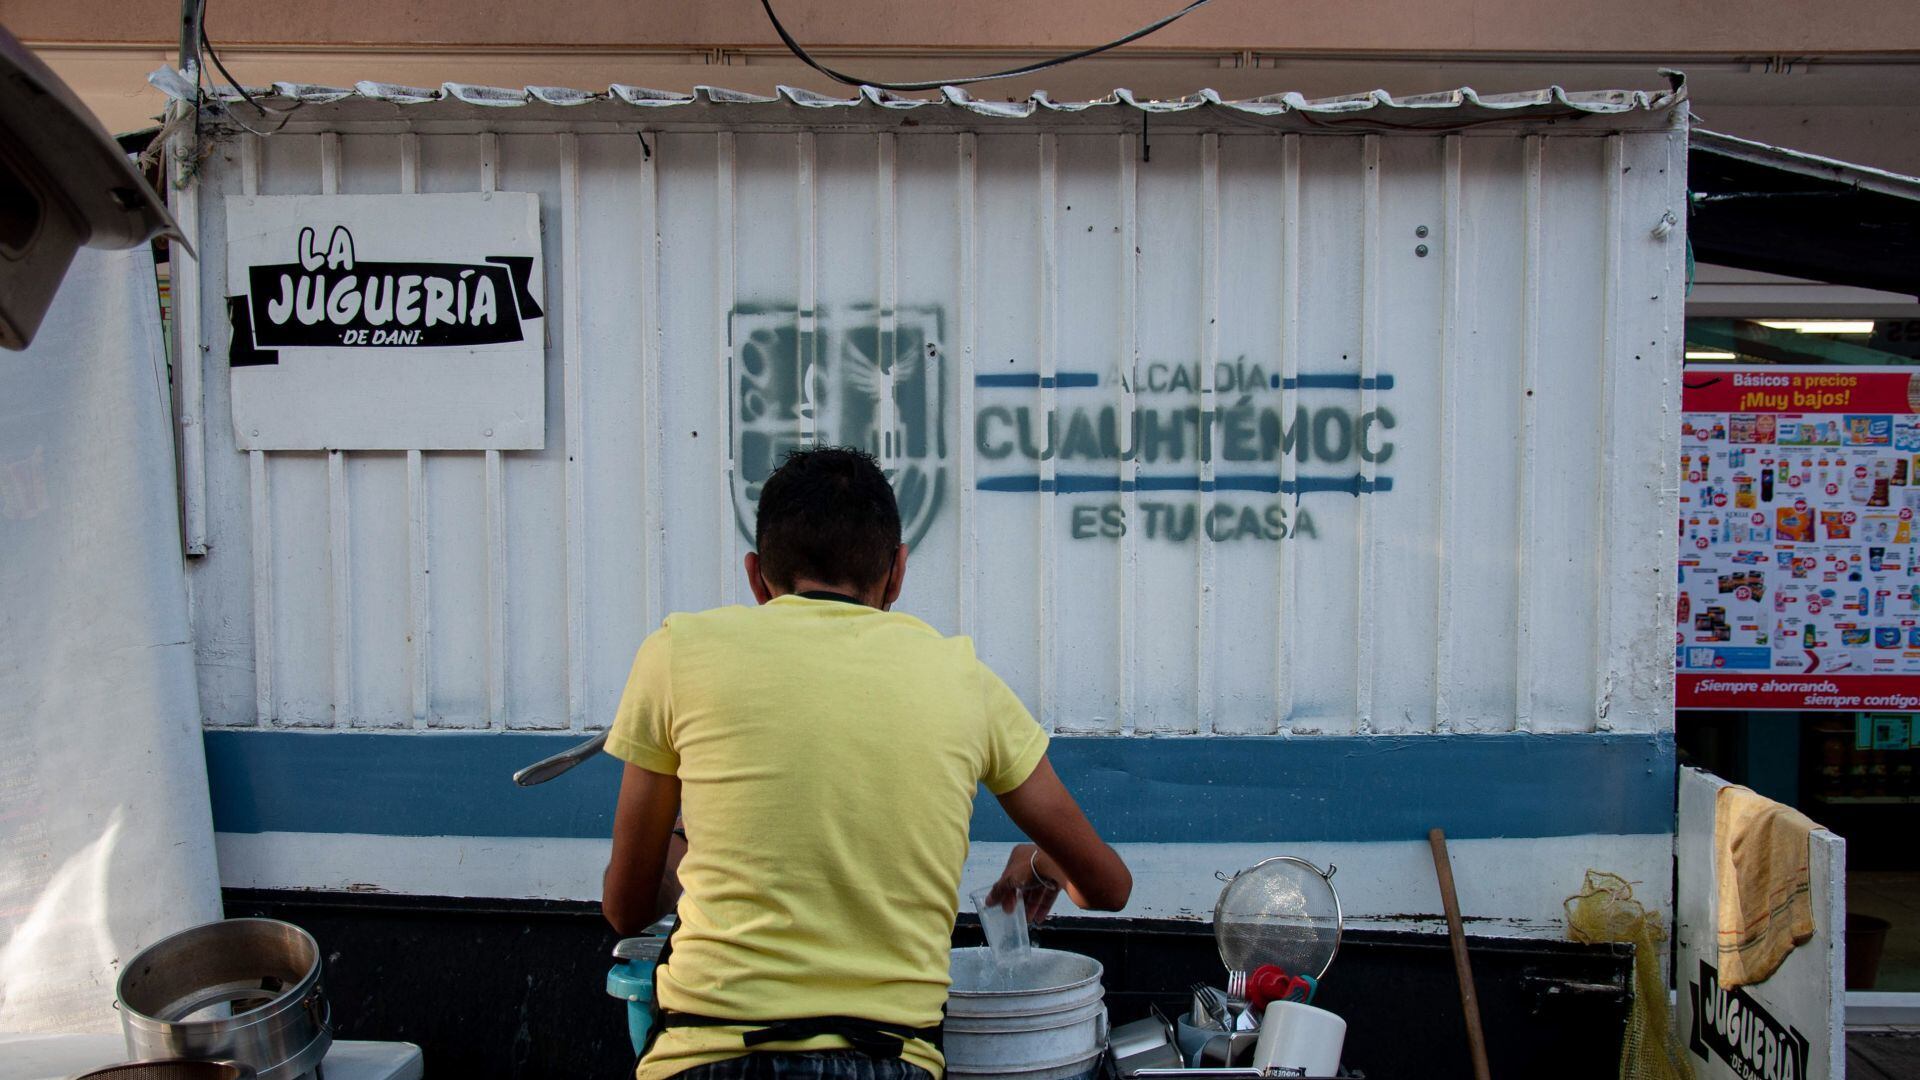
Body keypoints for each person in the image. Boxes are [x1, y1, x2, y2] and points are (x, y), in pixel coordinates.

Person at [601, 446, 1132, 1080]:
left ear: (755, 577)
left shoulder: (676, 653)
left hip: (707, 1053)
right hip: (892, 1058)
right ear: (897, 573)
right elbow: (1107, 888)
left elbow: (627, 907)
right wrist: (1039, 862)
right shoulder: (965, 680)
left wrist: (692, 840)